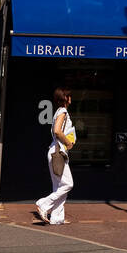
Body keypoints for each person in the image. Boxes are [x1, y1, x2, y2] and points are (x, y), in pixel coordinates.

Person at [36, 87, 76, 225]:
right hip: (58, 151)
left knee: (58, 186)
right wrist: (68, 142)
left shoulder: (58, 111)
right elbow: (57, 131)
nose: (71, 98)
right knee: (68, 184)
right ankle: (44, 204)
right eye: (69, 96)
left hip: (54, 151)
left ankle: (57, 218)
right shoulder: (63, 111)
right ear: (65, 98)